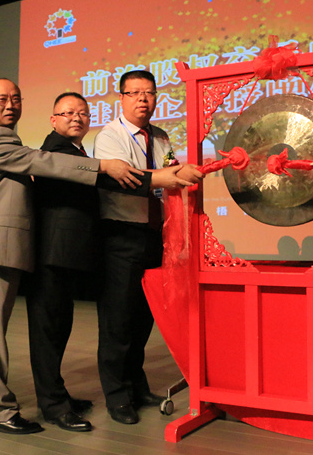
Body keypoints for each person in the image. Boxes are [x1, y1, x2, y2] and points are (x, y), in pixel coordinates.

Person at [0, 78, 152, 435]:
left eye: (16, 98)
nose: (10, 105)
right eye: (2, 99)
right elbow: (43, 162)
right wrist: (103, 167)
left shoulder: (7, 139)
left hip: (7, 247)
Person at [27, 92, 192, 432]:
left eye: (82, 113)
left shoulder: (77, 151)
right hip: (52, 254)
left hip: (71, 255)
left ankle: (61, 397)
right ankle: (53, 405)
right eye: (68, 113)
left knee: (59, 329)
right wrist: (152, 178)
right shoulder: (55, 151)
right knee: (49, 333)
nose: (76, 118)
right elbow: (98, 177)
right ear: (53, 120)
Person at [93, 70, 204, 424]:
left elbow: (171, 170)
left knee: (143, 318)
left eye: (149, 93)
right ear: (121, 98)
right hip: (121, 236)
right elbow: (122, 179)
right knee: (118, 320)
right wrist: (165, 177)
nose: (143, 99)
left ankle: (136, 386)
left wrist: (187, 171)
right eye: (135, 93)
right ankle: (116, 396)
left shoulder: (160, 136)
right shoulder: (109, 136)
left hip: (154, 235)